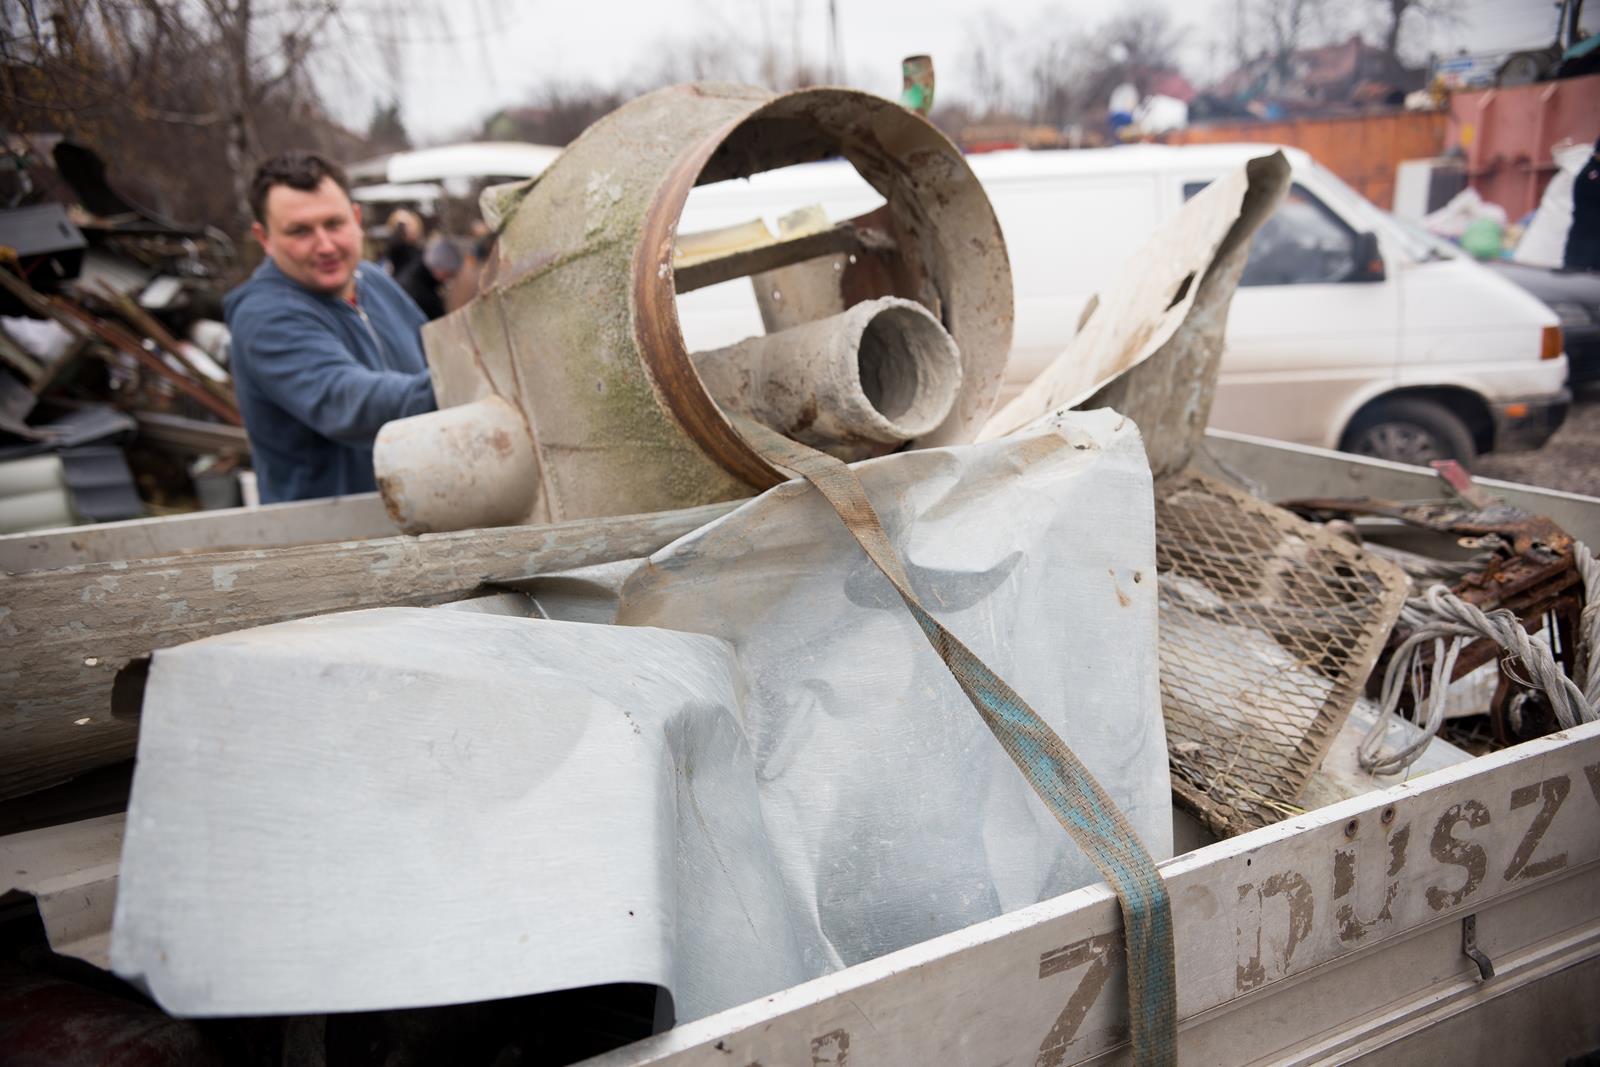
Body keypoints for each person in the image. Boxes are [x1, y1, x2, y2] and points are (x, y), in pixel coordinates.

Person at [224, 151, 436, 503]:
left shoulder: (372, 280)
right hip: (335, 530)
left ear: (356, 218)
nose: (325, 246)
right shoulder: (265, 318)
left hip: (421, 510)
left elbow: (435, 352)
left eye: (334, 224)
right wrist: (462, 381)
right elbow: (349, 403)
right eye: (300, 231)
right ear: (264, 239)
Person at [395, 237, 462, 320]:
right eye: (448, 274)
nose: (448, 280)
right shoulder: (421, 293)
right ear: (439, 269)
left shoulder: (417, 267)